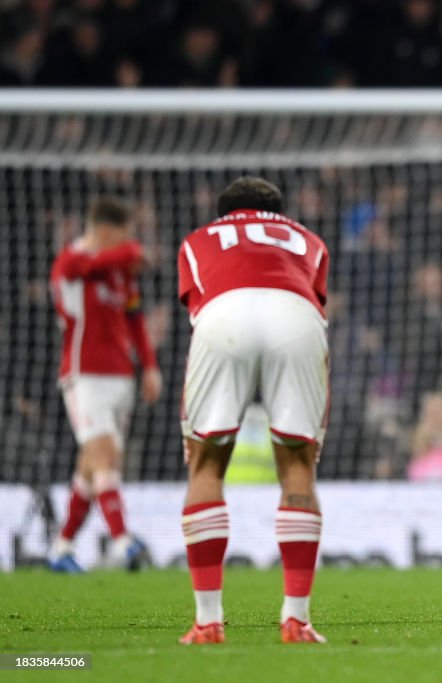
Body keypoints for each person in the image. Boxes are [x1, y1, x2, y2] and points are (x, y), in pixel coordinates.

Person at [176, 177, 330, 645]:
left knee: (206, 462)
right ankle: (296, 620)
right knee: (298, 462)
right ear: (279, 213)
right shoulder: (310, 239)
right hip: (296, 315)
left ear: (225, 213)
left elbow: (197, 304)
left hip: (224, 315)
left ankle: (208, 622)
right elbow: (317, 298)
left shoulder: (197, 239)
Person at [48, 196, 162, 573]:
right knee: (106, 455)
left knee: (92, 464)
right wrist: (133, 250)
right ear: (106, 231)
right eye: (124, 234)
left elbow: (135, 319)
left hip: (121, 375)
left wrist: (149, 366)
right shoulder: (71, 261)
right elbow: (120, 256)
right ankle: (124, 542)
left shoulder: (119, 271)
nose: (128, 242)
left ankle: (61, 548)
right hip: (84, 374)